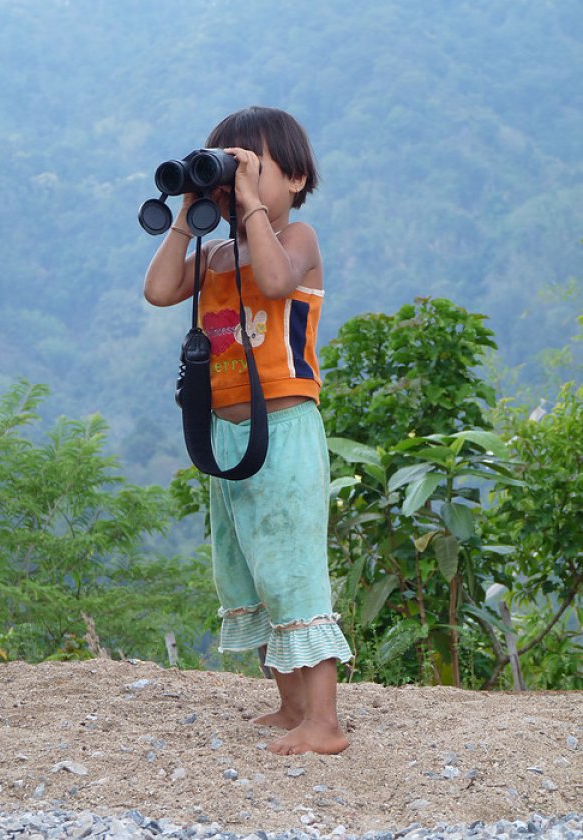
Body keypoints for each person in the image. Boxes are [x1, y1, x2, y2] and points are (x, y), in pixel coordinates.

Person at [143, 105, 352, 755]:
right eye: (226, 170)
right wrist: (188, 210)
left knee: (291, 570)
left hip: (285, 428)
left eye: (250, 168)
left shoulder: (299, 240)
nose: (236, 187)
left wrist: (252, 206)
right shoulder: (216, 254)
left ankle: (325, 722)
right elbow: (157, 290)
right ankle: (290, 707)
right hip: (227, 436)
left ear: (293, 178)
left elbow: (273, 279)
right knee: (250, 574)